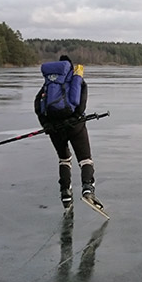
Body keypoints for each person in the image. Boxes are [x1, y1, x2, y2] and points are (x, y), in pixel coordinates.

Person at [34, 55, 102, 211]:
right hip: (75, 126)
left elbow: (38, 104)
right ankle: (87, 189)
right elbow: (81, 103)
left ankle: (66, 193)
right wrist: (76, 117)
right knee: (85, 160)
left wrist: (46, 124)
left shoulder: (50, 83)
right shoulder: (76, 79)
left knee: (64, 159)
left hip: (54, 127)